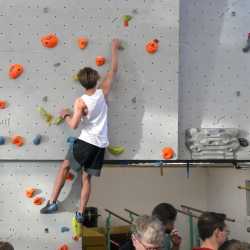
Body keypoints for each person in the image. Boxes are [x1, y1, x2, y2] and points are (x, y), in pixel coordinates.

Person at [40, 39, 121, 224]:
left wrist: (65, 114)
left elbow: (74, 125)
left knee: (65, 167)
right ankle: (80, 212)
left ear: (81, 83)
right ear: (96, 80)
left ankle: (52, 202)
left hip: (85, 143)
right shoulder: (102, 93)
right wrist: (114, 49)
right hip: (100, 146)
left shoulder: (80, 101)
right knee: (86, 179)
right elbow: (113, 70)